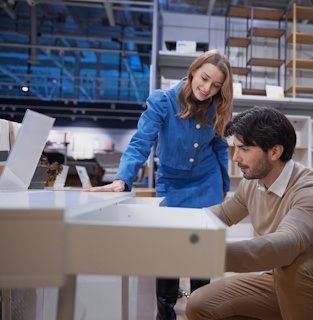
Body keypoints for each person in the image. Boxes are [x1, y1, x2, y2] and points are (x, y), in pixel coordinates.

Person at [84, 49, 233, 320]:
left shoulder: (218, 108)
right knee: (169, 252)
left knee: (201, 252)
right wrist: (122, 179)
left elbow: (221, 148)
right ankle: (165, 315)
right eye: (204, 78)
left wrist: (225, 185)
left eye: (216, 85)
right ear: (193, 71)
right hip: (172, 184)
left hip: (207, 182)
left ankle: (201, 312)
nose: (207, 88)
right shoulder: (163, 101)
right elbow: (141, 142)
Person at [186, 106, 313, 320]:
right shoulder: (253, 184)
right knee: (200, 305)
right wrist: (179, 227)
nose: (235, 158)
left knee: (295, 264)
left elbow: (286, 244)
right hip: (278, 279)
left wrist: (210, 253)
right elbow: (224, 214)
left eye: (244, 149)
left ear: (275, 151)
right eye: (235, 148)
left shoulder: (312, 190)